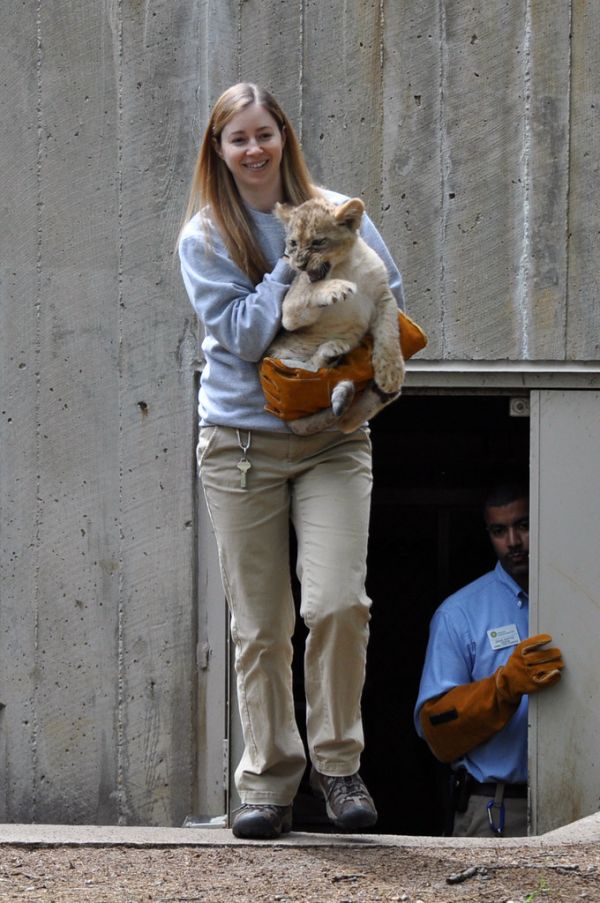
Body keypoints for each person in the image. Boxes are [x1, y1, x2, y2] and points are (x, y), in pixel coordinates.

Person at [178, 83, 406, 839]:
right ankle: (269, 783)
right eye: (237, 138)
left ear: (285, 135)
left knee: (338, 602)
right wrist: (292, 258)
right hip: (240, 447)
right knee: (262, 626)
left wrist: (371, 372)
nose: (253, 149)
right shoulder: (206, 236)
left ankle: (339, 767)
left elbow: (387, 295)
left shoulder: (341, 208)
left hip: (333, 440)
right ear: (219, 150)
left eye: (264, 133)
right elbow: (244, 337)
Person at [414, 472, 564, 837]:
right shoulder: (460, 614)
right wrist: (502, 689)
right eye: (499, 531)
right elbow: (437, 733)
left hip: (581, 805)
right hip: (496, 809)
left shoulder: (582, 598)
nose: (513, 542)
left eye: (523, 525)